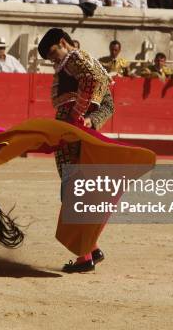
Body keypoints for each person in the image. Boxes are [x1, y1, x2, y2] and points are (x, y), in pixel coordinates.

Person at [37, 27, 114, 273]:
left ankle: (84, 257)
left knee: (73, 191)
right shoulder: (91, 62)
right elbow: (109, 104)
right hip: (79, 132)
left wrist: (78, 114)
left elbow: (91, 81)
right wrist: (92, 120)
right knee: (79, 189)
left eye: (53, 53)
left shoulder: (74, 58)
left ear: (63, 42)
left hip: (72, 134)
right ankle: (91, 248)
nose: (53, 60)